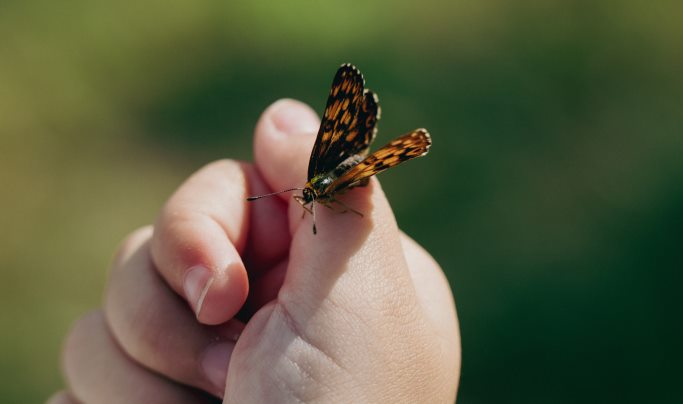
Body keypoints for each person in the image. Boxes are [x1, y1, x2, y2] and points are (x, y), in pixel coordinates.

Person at [48, 99, 461, 403]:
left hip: (346, 171)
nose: (305, 200)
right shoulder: (312, 187)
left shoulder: (321, 189)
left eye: (307, 199)